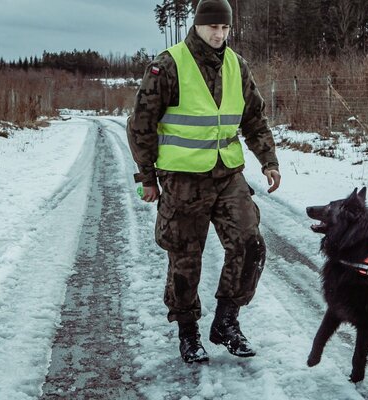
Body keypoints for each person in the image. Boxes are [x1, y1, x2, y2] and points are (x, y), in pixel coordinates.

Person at [126, 0, 281, 364]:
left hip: (227, 174)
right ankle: (188, 332)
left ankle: (226, 321)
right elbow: (142, 124)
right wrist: (147, 177)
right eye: (213, 27)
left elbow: (254, 118)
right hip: (182, 179)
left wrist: (269, 161)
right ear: (197, 25)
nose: (219, 34)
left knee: (249, 244)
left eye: (225, 28)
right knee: (185, 259)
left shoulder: (236, 65)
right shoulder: (167, 65)